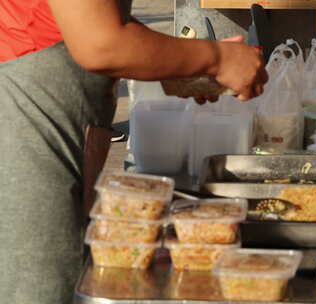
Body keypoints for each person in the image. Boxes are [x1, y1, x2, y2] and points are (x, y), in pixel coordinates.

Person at [0, 1, 268, 304]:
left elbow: (93, 16)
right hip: (24, 109)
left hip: (51, 108)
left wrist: (177, 62)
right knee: (38, 286)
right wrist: (216, 59)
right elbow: (100, 43)